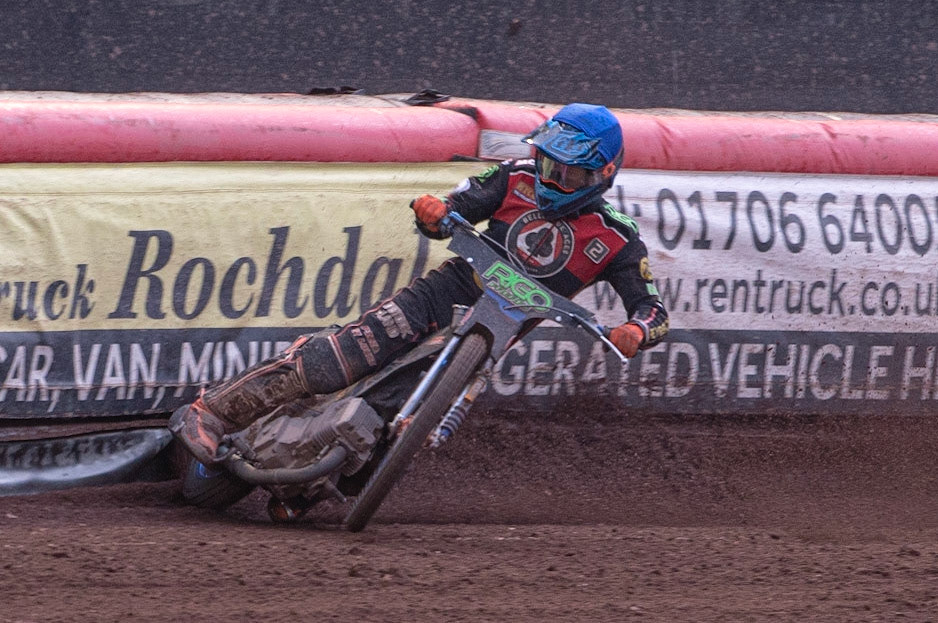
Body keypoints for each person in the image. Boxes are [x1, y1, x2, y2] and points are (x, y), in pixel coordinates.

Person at [170, 102, 670, 465]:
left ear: (604, 173)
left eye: (569, 174)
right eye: (548, 165)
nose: (553, 180)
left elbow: (652, 308)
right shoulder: (514, 177)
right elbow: (451, 210)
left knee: (398, 419)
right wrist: (435, 212)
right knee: (341, 359)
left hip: (492, 337)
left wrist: (638, 330)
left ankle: (309, 486)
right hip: (443, 293)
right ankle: (210, 413)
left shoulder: (617, 238)